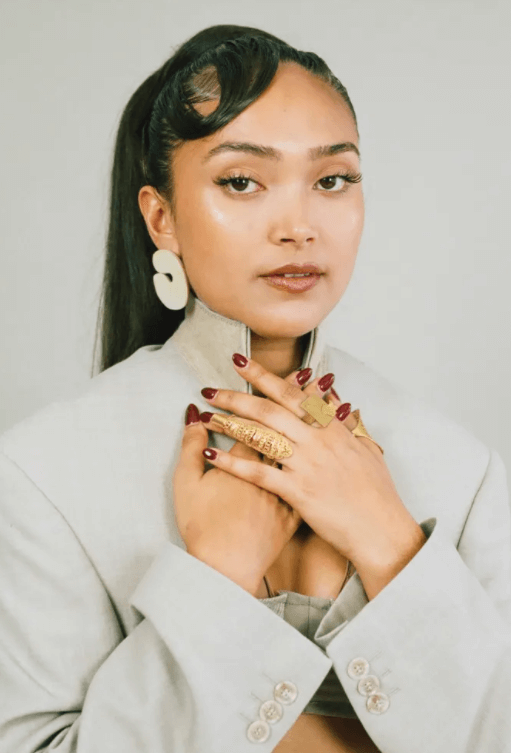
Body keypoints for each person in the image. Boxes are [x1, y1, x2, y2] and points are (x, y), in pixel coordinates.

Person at [0, 23, 510, 753]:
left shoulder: (461, 468)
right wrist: (215, 581)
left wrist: (389, 541)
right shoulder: (43, 473)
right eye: (241, 181)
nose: (298, 226)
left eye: (331, 179)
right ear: (161, 216)